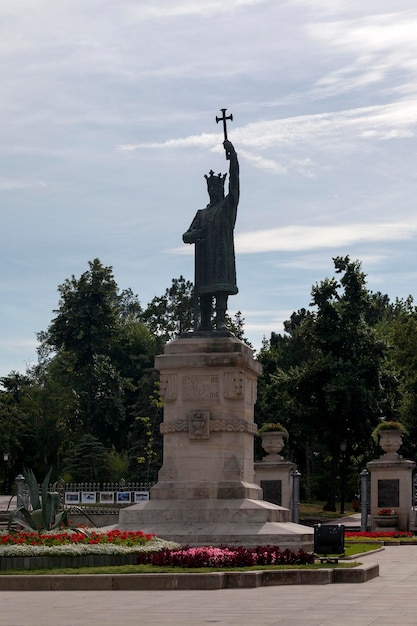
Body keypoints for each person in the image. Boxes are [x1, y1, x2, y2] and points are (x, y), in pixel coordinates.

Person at [183, 140, 239, 331]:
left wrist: (233, 158)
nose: (214, 191)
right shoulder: (201, 214)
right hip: (206, 261)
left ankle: (221, 320)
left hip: (222, 258)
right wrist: (193, 234)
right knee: (205, 292)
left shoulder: (227, 207)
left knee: (220, 288)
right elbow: (186, 235)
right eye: (211, 188)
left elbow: (235, 184)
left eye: (217, 188)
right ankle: (204, 323)